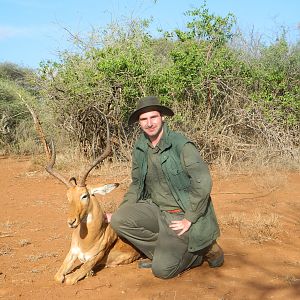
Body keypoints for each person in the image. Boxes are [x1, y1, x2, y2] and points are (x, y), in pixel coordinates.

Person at [110, 96, 224, 279]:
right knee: (119, 219)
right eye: (143, 119)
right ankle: (164, 253)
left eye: (153, 117)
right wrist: (123, 209)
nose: (149, 123)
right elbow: (137, 183)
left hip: (180, 214)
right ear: (139, 123)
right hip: (156, 208)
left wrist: (189, 218)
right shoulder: (140, 146)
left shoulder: (181, 145)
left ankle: (200, 251)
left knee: (162, 271)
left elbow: (203, 182)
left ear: (162, 117)